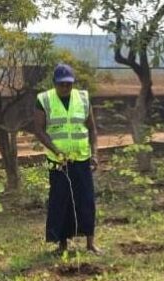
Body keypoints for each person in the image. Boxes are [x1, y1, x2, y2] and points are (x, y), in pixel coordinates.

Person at [33, 63, 101, 254]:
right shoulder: (44, 99)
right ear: (54, 83)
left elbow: (92, 129)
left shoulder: (83, 98)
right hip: (58, 161)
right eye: (61, 84)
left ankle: (90, 243)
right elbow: (39, 130)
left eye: (68, 84)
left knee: (86, 200)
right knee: (61, 200)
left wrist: (94, 154)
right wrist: (56, 151)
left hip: (81, 158)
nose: (65, 87)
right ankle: (62, 244)